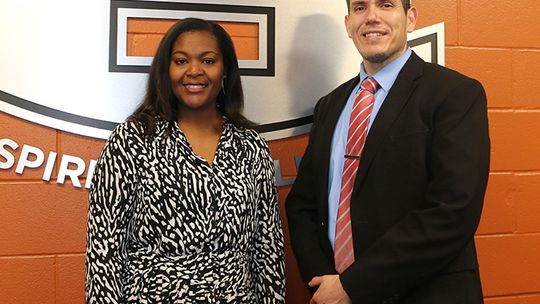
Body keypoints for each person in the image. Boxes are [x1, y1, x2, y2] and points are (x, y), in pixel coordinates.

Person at [286, 0, 490, 303]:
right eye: (360, 8)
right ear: (348, 24)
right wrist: (324, 283)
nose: (371, 17)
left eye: (385, 5)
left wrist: (352, 286)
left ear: (410, 19)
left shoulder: (455, 94)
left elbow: (453, 211)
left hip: (426, 294)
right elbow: (302, 204)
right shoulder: (330, 105)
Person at [85, 18, 285, 303]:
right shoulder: (131, 141)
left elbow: (268, 249)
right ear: (166, 71)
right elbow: (104, 253)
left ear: (225, 69)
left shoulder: (251, 146)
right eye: (181, 61)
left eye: (207, 60)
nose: (194, 71)